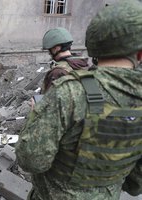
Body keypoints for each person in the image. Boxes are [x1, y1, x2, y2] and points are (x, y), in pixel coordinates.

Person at [16, 0, 142, 199]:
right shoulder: (79, 69)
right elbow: (135, 185)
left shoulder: (70, 92)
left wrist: (35, 115)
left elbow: (31, 160)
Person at [41, 27, 90, 93]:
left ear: (56, 48)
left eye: (50, 50)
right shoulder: (83, 64)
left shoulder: (57, 72)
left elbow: (48, 101)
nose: (49, 53)